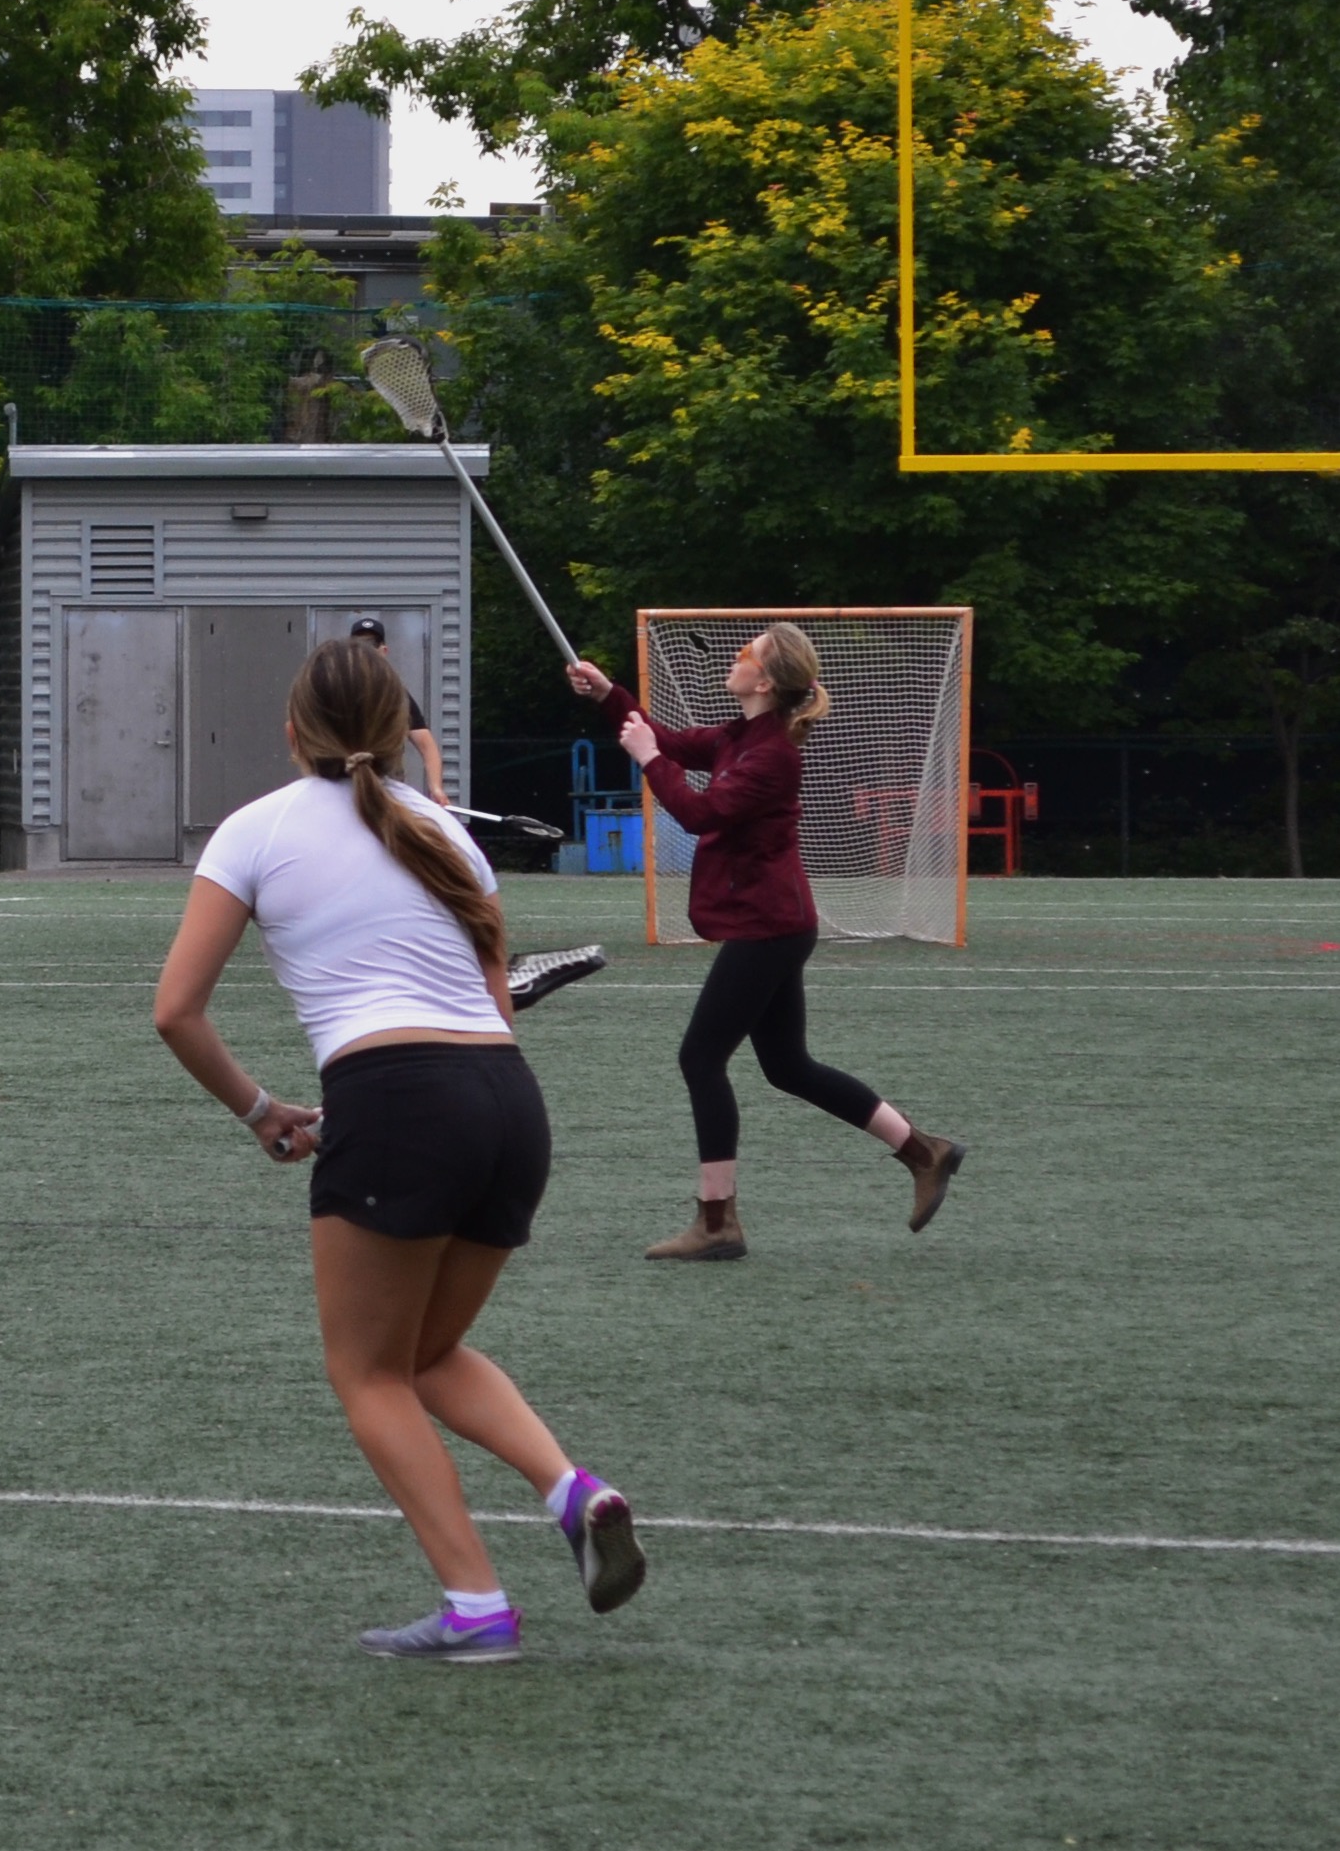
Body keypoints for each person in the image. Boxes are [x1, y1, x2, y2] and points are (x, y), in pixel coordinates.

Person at [155, 636, 646, 1662]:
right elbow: (491, 999)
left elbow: (176, 1013)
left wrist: (261, 1111)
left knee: (368, 1372)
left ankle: (476, 1606)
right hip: (506, 1103)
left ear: (291, 735)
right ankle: (574, 1492)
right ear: (398, 731)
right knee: (424, 1354)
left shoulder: (254, 830)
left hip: (399, 1098)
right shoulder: (445, 833)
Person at [568, 625, 966, 1260]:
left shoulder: (774, 754)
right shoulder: (741, 736)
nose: (735, 656)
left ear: (767, 681)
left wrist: (647, 758)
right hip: (777, 924)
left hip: (770, 928)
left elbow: (699, 811)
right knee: (787, 1067)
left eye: (746, 653)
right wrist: (608, 695)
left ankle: (718, 1222)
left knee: (701, 1059)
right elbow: (667, 739)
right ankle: (925, 1151)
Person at [347, 615, 446, 804]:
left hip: (389, 792)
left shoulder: (395, 695)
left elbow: (427, 745)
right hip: (346, 791)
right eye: (358, 645)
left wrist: (436, 788)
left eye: (370, 644)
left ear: (383, 651)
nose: (364, 652)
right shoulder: (336, 690)